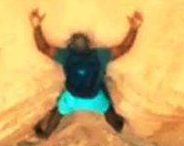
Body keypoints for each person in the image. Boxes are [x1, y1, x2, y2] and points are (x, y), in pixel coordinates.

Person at [29, 9, 142, 138]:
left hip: (72, 97)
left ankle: (46, 133)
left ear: (70, 45)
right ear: (89, 45)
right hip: (94, 97)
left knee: (58, 112)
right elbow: (124, 48)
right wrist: (134, 28)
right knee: (108, 112)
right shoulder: (100, 55)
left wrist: (36, 26)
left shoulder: (65, 55)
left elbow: (43, 48)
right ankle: (118, 127)